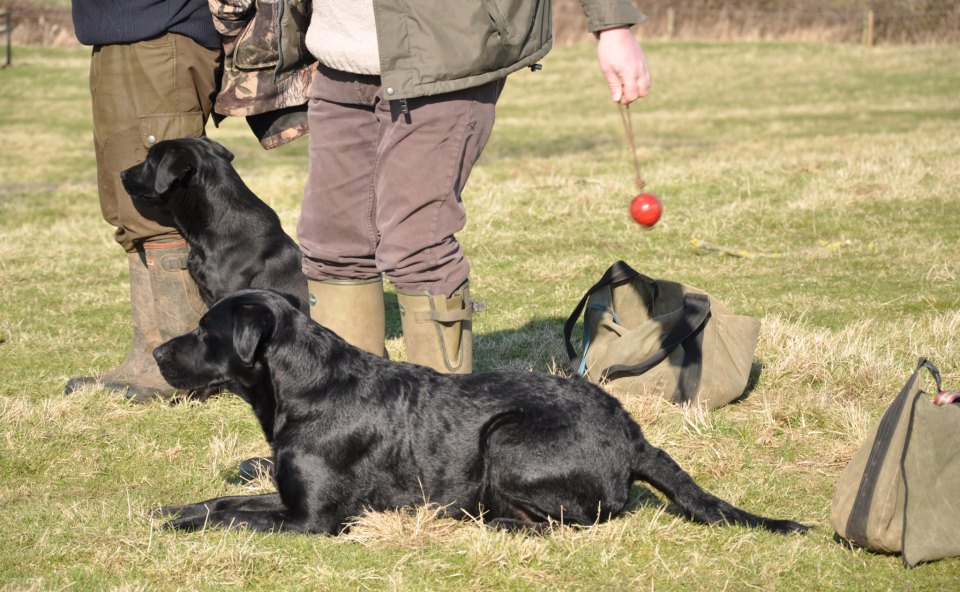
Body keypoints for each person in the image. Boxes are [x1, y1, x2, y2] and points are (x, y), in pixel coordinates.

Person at [297, 2, 652, 375]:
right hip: (338, 52)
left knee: (416, 247)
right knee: (332, 246)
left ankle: (441, 419)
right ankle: (349, 408)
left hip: (445, 50)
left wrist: (612, 26)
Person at [66, 1, 223, 400]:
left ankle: (188, 367)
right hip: (119, 33)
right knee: (128, 204)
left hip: (161, 33)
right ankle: (151, 354)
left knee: (162, 202)